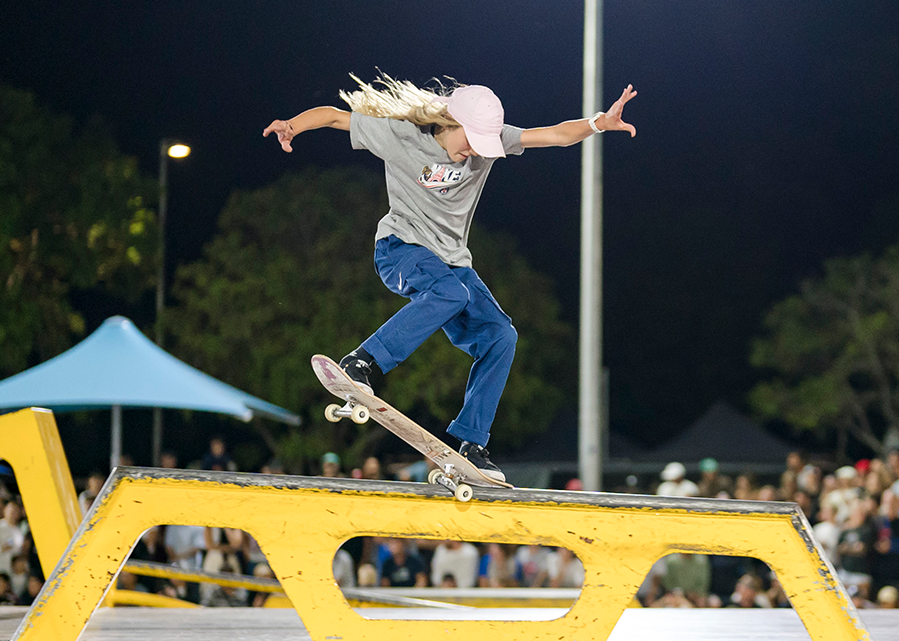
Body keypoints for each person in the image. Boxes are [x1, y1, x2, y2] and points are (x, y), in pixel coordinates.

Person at [265, 73, 637, 481]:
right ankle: (361, 362)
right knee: (450, 293)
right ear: (451, 122)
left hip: (453, 264)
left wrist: (600, 122)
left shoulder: (489, 143)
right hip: (400, 249)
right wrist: (292, 126)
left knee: (501, 335)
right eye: (470, 141)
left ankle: (472, 443)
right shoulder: (401, 136)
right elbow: (336, 117)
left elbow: (554, 135)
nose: (475, 152)